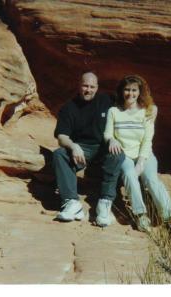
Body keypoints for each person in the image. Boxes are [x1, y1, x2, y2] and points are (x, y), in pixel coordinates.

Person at [104, 74, 171, 239]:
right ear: (121, 91)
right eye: (127, 89)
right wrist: (111, 139)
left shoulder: (147, 112)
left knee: (151, 180)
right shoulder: (114, 111)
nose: (130, 94)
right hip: (123, 154)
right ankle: (141, 215)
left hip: (144, 154)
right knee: (129, 174)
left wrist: (141, 162)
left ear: (140, 92)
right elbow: (107, 133)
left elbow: (147, 140)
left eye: (134, 90)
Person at [52, 72, 124, 226]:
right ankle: (72, 203)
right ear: (79, 85)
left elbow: (130, 102)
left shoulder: (107, 100)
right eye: (85, 85)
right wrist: (73, 146)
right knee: (59, 154)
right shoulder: (69, 108)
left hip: (104, 145)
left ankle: (105, 203)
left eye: (92, 87)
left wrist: (151, 110)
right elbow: (61, 136)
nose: (88, 90)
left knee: (118, 155)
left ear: (97, 88)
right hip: (82, 149)